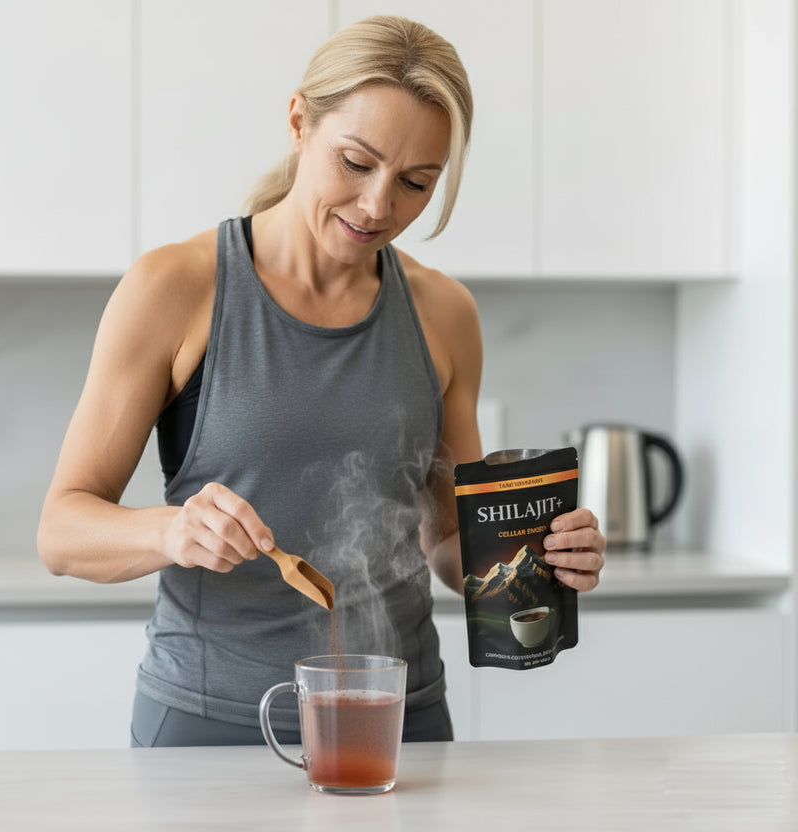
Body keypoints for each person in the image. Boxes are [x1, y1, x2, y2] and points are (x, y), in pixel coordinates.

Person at [38, 15, 605, 747]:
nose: (378, 206)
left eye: (415, 182)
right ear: (299, 119)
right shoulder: (176, 289)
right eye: (356, 162)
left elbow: (447, 540)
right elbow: (61, 531)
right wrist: (173, 530)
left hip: (399, 721)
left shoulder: (444, 314)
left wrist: (539, 554)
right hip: (212, 723)